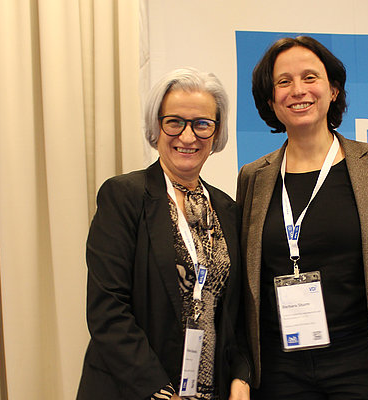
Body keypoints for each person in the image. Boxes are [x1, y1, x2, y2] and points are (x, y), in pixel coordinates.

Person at [236, 36, 368, 400]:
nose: (298, 90)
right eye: (284, 82)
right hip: (280, 372)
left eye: (310, 77)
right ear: (270, 101)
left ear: (333, 90)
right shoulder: (254, 177)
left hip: (366, 364)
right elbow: (246, 287)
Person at [77, 68, 252, 400]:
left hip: (208, 389)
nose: (188, 137)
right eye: (174, 122)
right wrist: (159, 391)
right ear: (156, 127)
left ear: (216, 134)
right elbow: (108, 310)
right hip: (135, 388)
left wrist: (241, 376)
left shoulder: (227, 209)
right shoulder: (124, 196)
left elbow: (236, 312)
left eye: (202, 124)